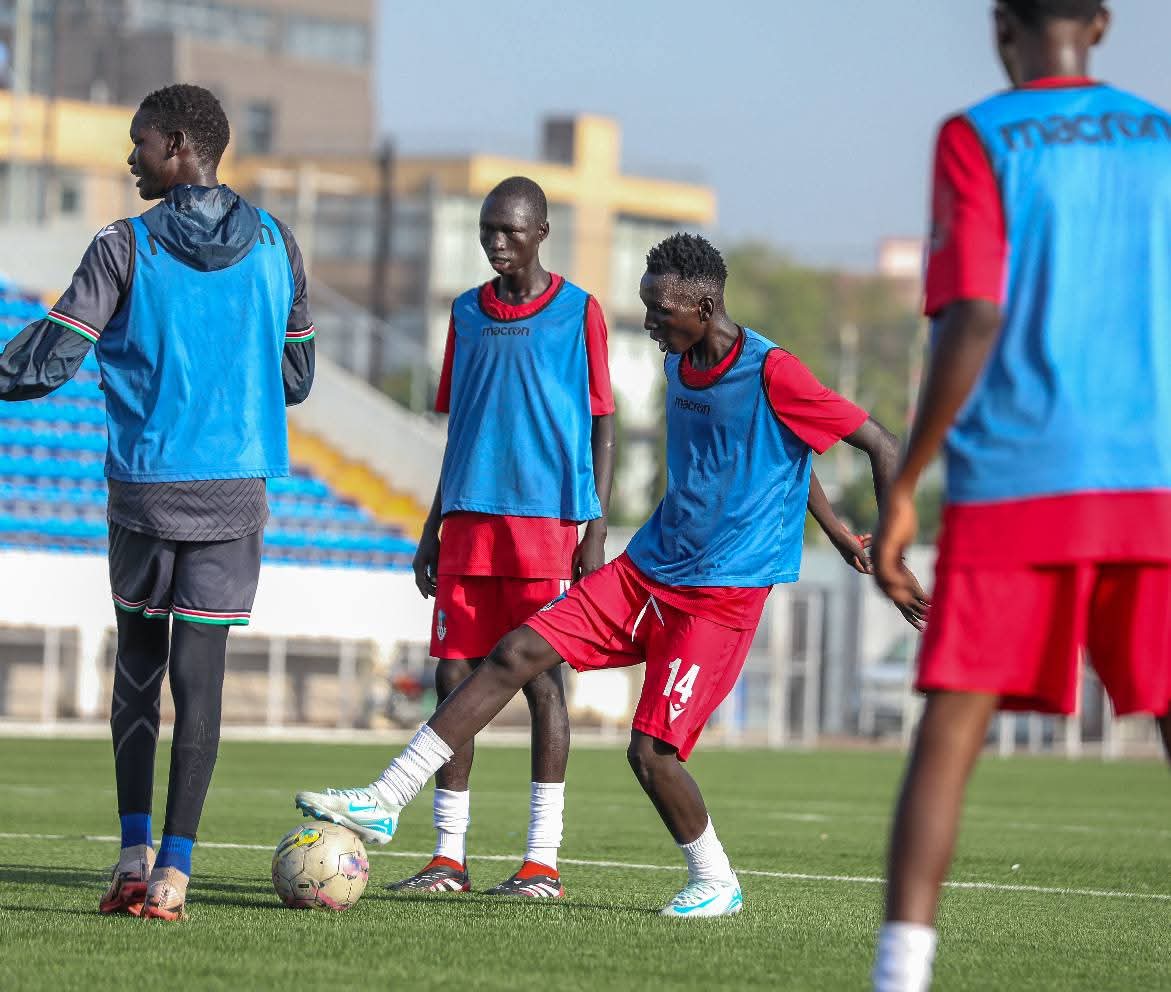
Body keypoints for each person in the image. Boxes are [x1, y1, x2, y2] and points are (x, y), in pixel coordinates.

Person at [296, 232, 926, 917]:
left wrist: (885, 555)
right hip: (648, 568)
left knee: (651, 754)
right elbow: (773, 448)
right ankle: (387, 799)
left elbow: (880, 443)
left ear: (704, 304)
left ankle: (715, 879)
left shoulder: (773, 370)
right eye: (647, 307)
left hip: (719, 595)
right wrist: (833, 528)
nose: (650, 321)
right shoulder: (681, 367)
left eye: (660, 309)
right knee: (514, 652)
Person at [871, 2, 1171, 988]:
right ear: (1103, 22)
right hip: (1150, 474)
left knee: (953, 728)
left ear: (1002, 25)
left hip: (1020, 475)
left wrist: (907, 478)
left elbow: (976, 313)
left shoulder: (977, 136)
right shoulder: (1160, 138)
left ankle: (900, 974)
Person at [0, 83, 315, 920]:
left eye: (137, 143)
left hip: (145, 487)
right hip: (234, 492)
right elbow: (297, 375)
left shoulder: (123, 245)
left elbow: (51, 359)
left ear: (178, 144)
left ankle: (131, 859)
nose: (128, 158)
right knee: (200, 682)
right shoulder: (279, 242)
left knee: (138, 668)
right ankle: (176, 876)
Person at [392, 176, 616, 899]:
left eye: (510, 231)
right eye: (488, 229)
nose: (495, 242)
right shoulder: (464, 312)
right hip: (466, 520)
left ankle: (540, 861)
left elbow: (603, 420)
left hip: (545, 524)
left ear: (541, 232)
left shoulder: (580, 312)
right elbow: (460, 427)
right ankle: (447, 857)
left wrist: (595, 523)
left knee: (540, 682)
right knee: (453, 674)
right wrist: (432, 525)